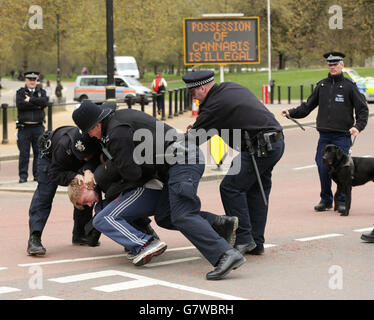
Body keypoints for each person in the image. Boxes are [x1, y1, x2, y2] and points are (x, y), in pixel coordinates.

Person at [72, 100, 245, 280]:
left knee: (182, 214)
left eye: (90, 131)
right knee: (165, 216)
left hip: (183, 160)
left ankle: (225, 254)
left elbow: (132, 173)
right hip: (175, 163)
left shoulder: (116, 133)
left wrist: (108, 170)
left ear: (97, 124)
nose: (91, 136)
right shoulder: (119, 120)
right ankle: (220, 225)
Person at [182, 70, 285, 257]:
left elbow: (193, 140)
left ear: (202, 88)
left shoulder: (214, 105)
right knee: (255, 191)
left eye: (193, 92)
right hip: (273, 144)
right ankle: (256, 242)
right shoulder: (229, 87)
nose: (193, 97)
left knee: (230, 188)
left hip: (259, 148)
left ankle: (244, 239)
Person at [281, 52, 369, 214]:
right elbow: (307, 106)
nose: (332, 67)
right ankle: (326, 199)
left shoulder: (350, 86)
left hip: (342, 136)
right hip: (325, 137)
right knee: (323, 166)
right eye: (330, 64)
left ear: (342, 65)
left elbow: (363, 109)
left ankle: (341, 201)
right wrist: (291, 112)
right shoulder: (322, 86)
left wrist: (358, 126)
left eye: (335, 64)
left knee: (343, 169)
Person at [68, 163, 167, 266]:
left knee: (102, 219)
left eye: (85, 201)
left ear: (83, 187)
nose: (89, 205)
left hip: (147, 189)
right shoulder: (101, 188)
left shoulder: (100, 176)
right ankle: (146, 235)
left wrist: (87, 170)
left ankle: (145, 244)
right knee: (101, 209)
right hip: (142, 192)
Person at [27, 125, 101, 256]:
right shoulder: (63, 147)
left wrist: (87, 170)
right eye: (83, 157)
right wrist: (73, 176)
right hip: (51, 159)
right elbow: (54, 173)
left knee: (86, 191)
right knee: (45, 194)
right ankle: (35, 237)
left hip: (74, 157)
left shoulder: (94, 140)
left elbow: (94, 160)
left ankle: (80, 233)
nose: (85, 159)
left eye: (87, 156)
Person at [16, 71, 49, 183]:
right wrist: (37, 105)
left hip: (38, 127)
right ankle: (23, 176)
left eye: (34, 79)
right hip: (24, 128)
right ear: (26, 80)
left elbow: (45, 102)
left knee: (39, 153)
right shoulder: (20, 92)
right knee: (24, 154)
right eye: (30, 79)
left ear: (37, 81)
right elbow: (20, 105)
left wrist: (30, 100)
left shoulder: (41, 92)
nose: (32, 82)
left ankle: (37, 175)